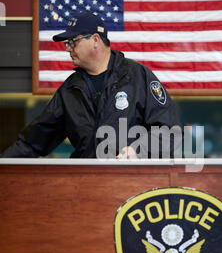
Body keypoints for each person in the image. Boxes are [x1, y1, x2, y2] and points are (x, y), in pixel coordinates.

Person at [0, 12, 181, 159]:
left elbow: (170, 131)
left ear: (95, 40)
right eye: (67, 43)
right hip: (86, 186)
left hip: (132, 184)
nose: (68, 48)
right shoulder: (69, 91)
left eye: (73, 42)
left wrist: (137, 151)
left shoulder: (137, 76)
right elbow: (33, 142)